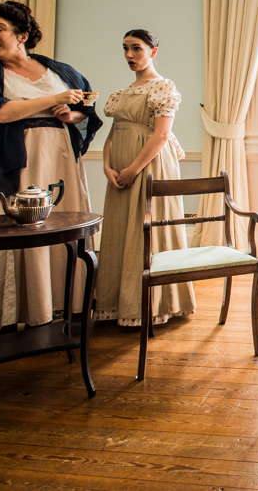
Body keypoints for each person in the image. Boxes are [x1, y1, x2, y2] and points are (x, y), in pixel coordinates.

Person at [0, 0, 102, 337]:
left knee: (63, 223)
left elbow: (86, 111)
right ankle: (14, 310)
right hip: (17, 162)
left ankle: (67, 302)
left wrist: (71, 114)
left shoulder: (58, 70)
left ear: (21, 35)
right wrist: (55, 100)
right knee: (14, 226)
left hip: (59, 159)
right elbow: (0, 113)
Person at [95, 29, 195, 326]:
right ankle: (117, 303)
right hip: (120, 168)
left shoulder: (163, 87)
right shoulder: (122, 94)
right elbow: (113, 132)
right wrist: (107, 166)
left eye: (136, 48)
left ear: (153, 51)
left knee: (146, 230)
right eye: (125, 48)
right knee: (120, 232)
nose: (129, 55)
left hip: (149, 165)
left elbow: (161, 135)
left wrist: (133, 169)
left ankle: (155, 303)